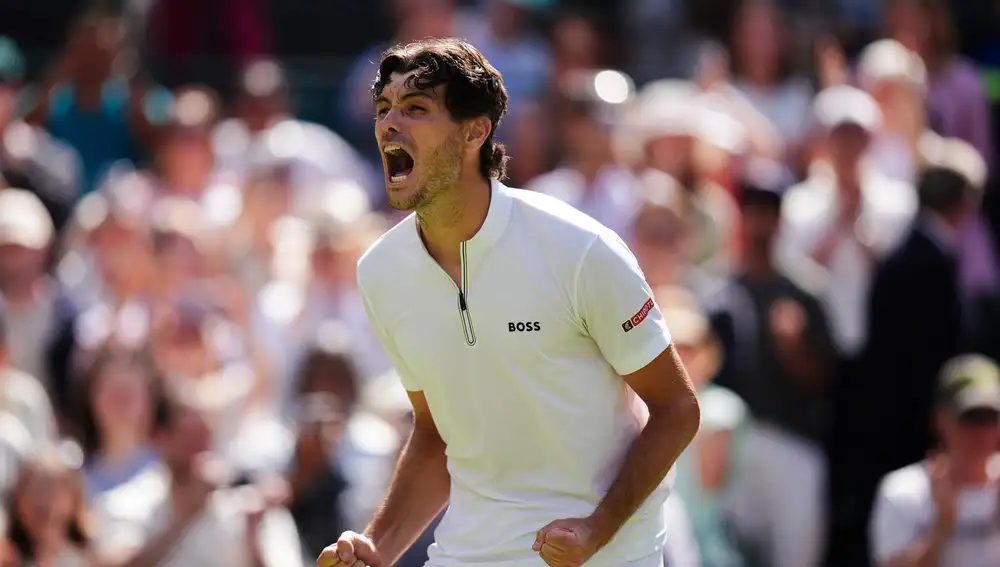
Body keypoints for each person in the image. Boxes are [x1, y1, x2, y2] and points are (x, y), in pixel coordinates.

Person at [318, 38, 701, 567]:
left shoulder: (579, 249)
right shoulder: (381, 273)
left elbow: (677, 407)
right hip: (469, 552)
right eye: (384, 109)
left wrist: (597, 529)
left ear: (475, 131)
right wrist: (377, 546)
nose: (388, 124)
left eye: (416, 108)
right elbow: (437, 434)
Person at [870, 354, 1000, 567]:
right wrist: (943, 526)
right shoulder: (905, 492)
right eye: (971, 417)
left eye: (991, 417)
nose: (981, 431)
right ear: (940, 419)